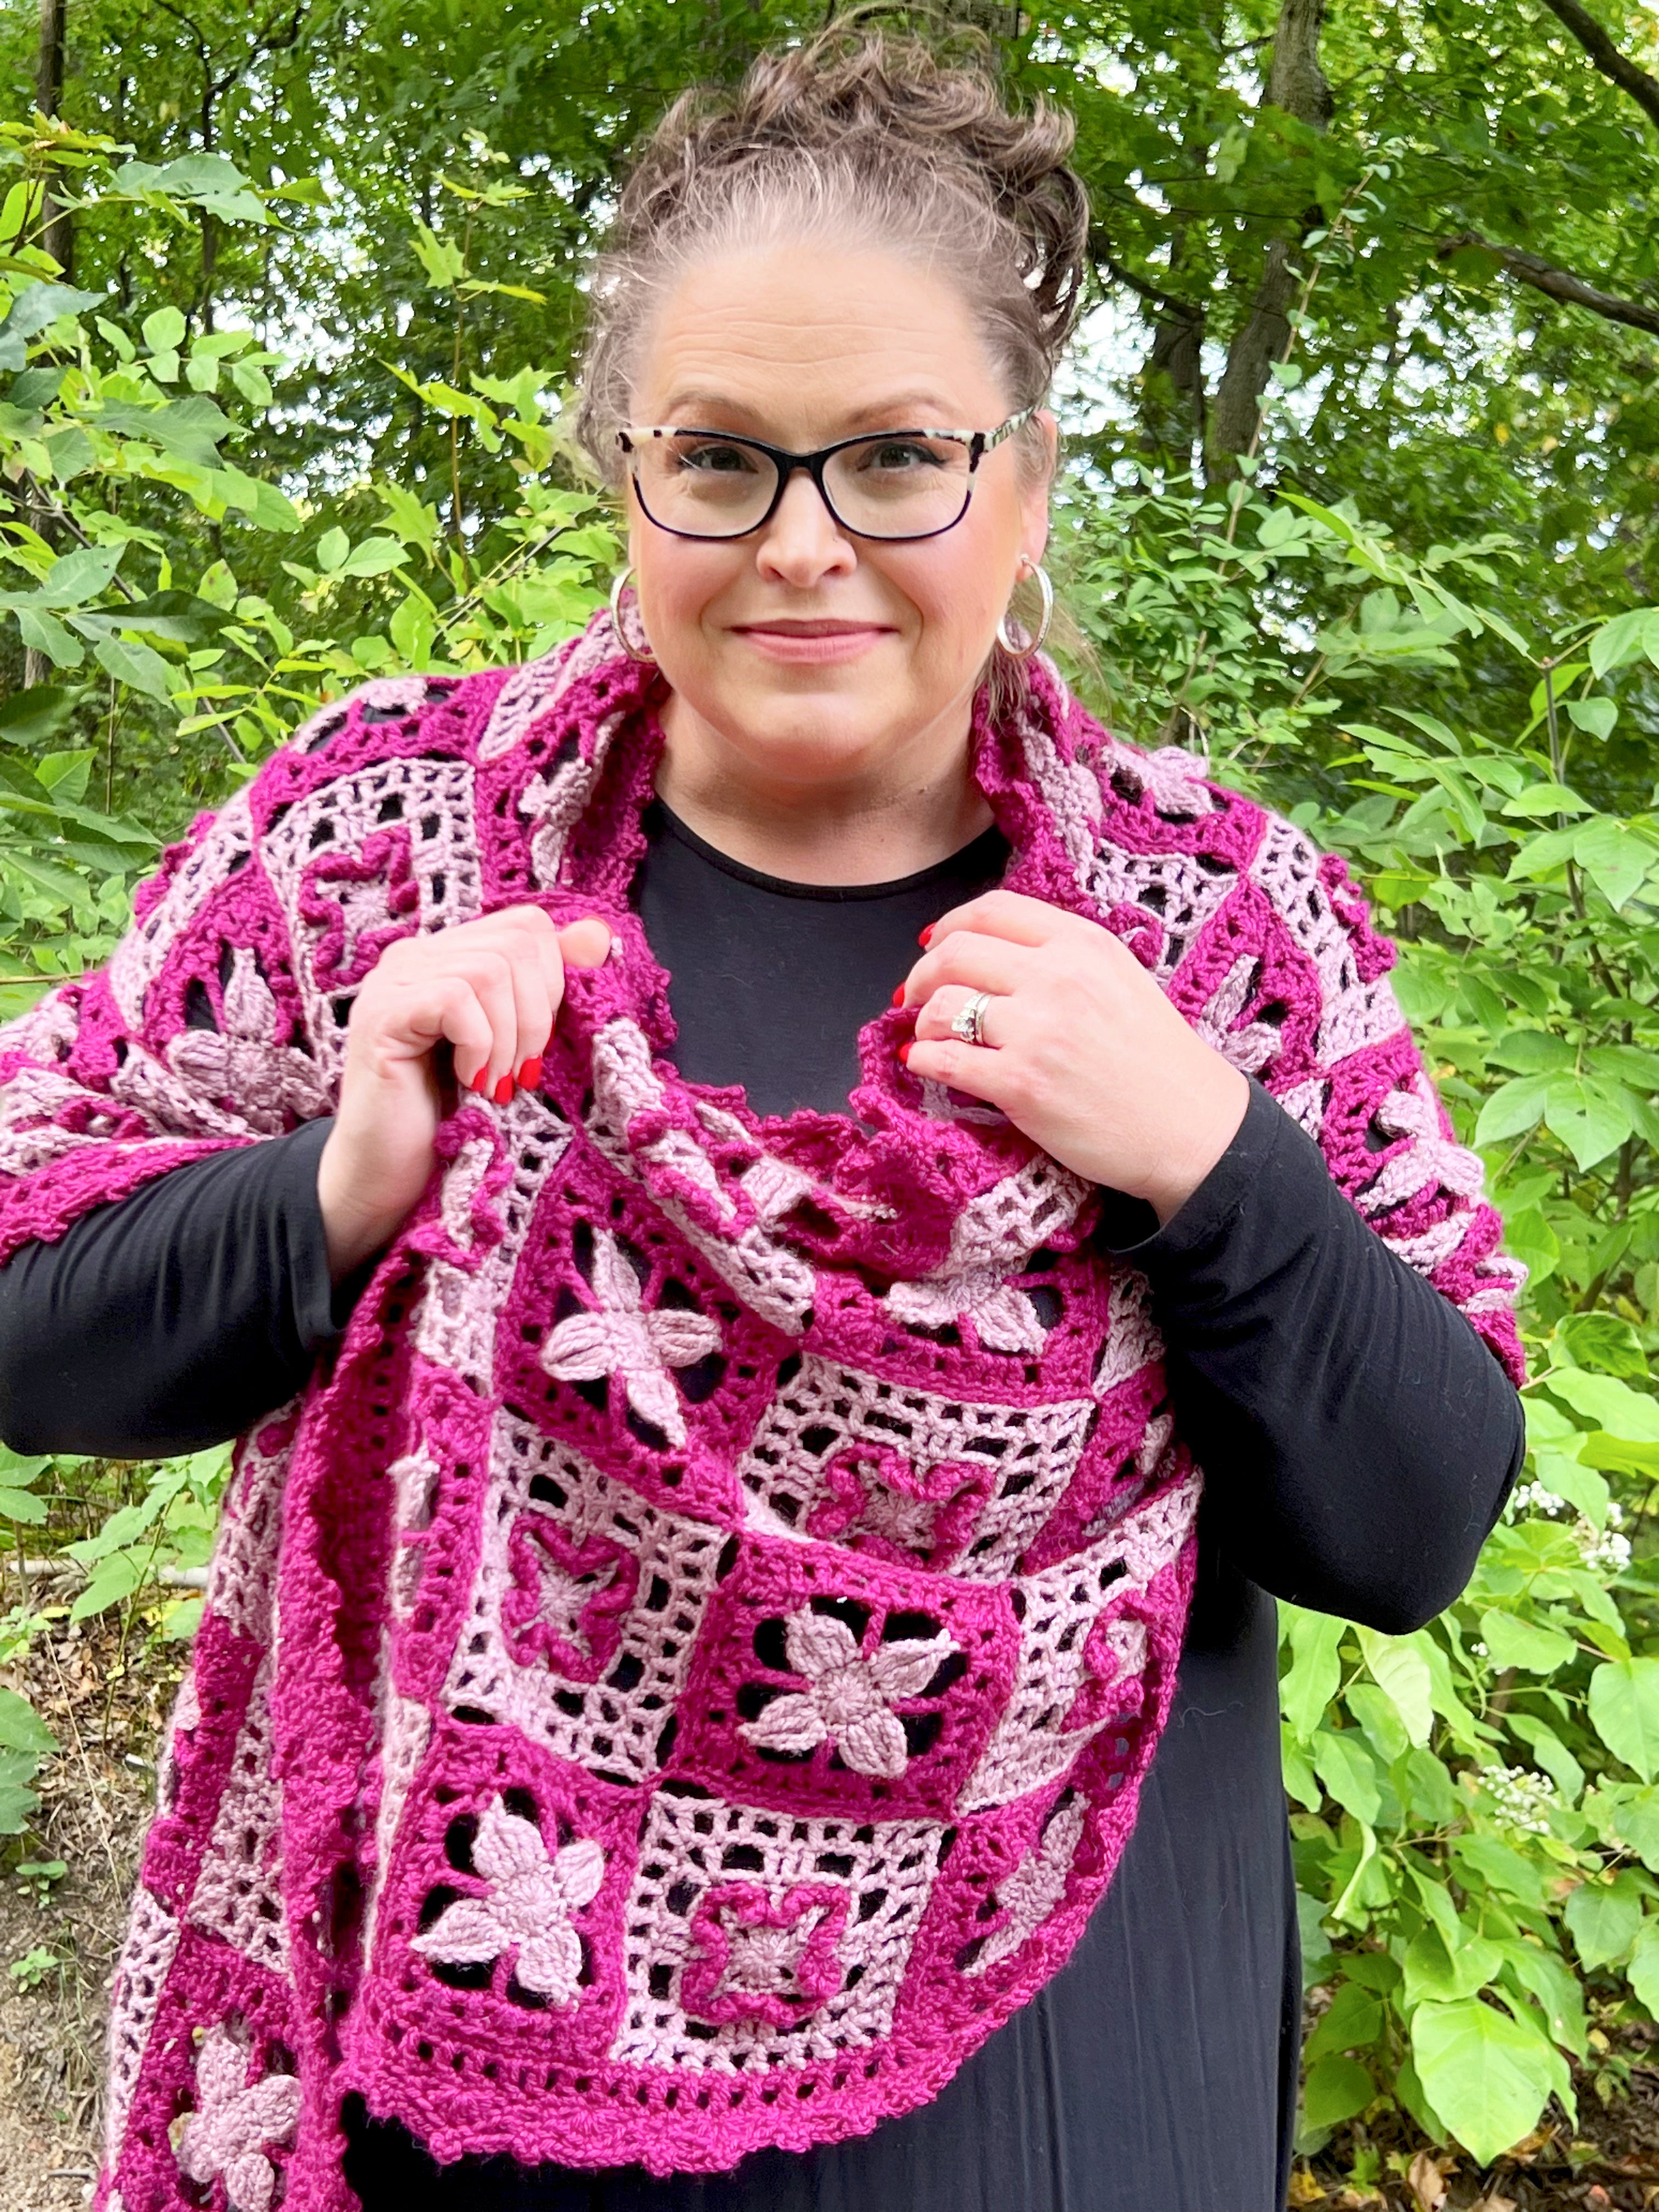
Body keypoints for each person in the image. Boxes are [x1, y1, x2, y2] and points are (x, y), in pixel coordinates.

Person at [0, 35, 1524, 2212]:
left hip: (1075, 2098)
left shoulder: (1218, 927)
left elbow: (1413, 1523)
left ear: (1027, 473)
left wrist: (1212, 1151)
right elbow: (25, 1304)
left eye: (897, 457)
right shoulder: (389, 848)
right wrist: (335, 1193)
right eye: (720, 459)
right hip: (463, 2116)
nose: (805, 547)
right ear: (625, 468)